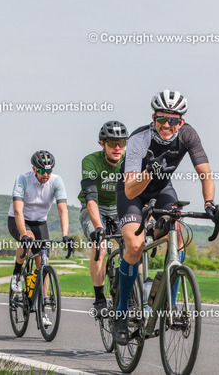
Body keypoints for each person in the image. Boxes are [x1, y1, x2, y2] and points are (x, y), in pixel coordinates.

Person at [112, 90, 219, 345]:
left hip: (162, 189)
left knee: (178, 234)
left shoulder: (188, 135)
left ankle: (169, 306)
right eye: (161, 119)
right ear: (153, 118)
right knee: (135, 245)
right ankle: (121, 312)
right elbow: (130, 189)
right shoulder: (139, 139)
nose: (166, 125)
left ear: (181, 122)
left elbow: (205, 174)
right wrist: (149, 173)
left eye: (173, 120)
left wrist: (209, 203)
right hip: (132, 191)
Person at [8, 150, 72, 327]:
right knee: (28, 239)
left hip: (40, 222)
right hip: (18, 220)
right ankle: (17, 273)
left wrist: (65, 234)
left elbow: (63, 210)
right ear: (34, 169)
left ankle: (42, 308)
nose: (46, 175)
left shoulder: (56, 181)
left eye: (49, 171)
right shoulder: (22, 179)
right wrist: (23, 234)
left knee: (43, 263)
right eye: (42, 171)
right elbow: (18, 211)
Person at [78, 121, 129, 313]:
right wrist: (99, 228)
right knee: (99, 245)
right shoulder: (90, 161)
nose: (117, 147)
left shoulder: (129, 161)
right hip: (95, 207)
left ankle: (133, 293)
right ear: (102, 143)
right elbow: (91, 198)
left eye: (121, 143)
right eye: (112, 143)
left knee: (134, 245)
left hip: (119, 207)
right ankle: (99, 299)